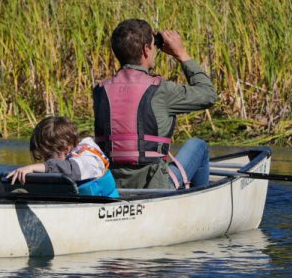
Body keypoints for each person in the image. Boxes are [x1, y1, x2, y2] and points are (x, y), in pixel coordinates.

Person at [93, 19, 217, 190]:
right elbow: (208, 95)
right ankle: (200, 200)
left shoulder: (100, 90)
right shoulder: (161, 90)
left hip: (113, 185)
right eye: (153, 45)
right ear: (146, 50)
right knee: (198, 145)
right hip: (154, 185)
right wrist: (181, 54)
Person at [6, 116, 119, 197]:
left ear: (66, 149)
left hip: (105, 206)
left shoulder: (88, 157)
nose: (46, 161)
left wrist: (33, 168)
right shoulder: (69, 153)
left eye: (48, 156)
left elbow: (71, 169)